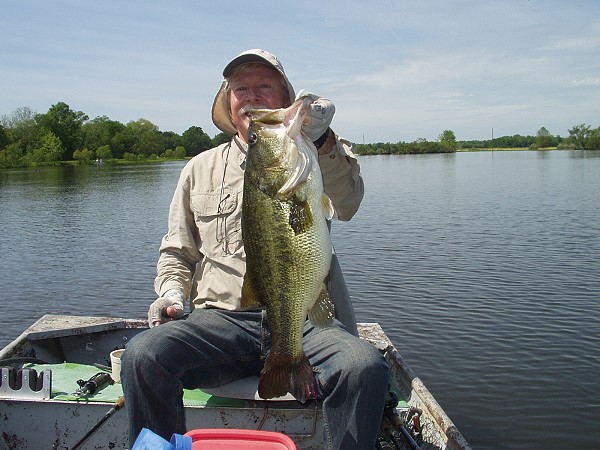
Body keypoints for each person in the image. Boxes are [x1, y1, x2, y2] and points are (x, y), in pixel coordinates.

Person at [121, 49, 389, 450]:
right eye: (241, 88)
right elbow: (178, 251)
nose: (252, 96)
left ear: (284, 95)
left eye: (265, 86)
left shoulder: (309, 155)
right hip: (222, 321)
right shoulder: (198, 169)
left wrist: (323, 140)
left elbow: (347, 203)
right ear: (229, 101)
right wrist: (171, 293)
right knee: (142, 355)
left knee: (364, 366)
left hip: (304, 319)